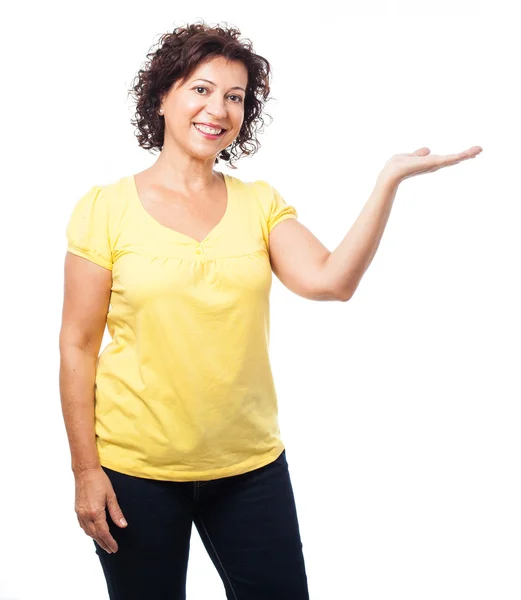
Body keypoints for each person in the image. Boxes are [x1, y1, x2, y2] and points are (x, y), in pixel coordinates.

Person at [58, 20, 482, 600]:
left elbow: (331, 281)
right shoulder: (105, 209)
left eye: (235, 97)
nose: (219, 109)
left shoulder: (260, 205)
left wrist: (387, 183)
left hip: (249, 468)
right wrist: (87, 471)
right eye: (201, 89)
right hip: (137, 472)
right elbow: (77, 346)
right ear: (163, 96)